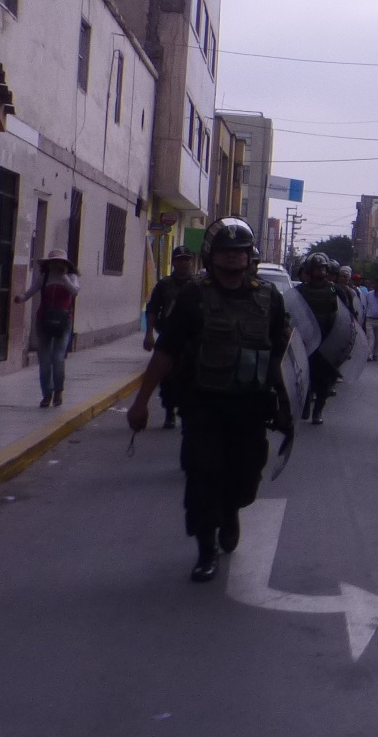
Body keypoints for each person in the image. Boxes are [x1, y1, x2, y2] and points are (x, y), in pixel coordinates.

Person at [126, 218, 291, 582]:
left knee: (245, 475)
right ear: (211, 256)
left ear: (250, 257)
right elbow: (166, 352)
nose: (233, 258)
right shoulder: (193, 297)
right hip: (203, 403)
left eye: (240, 252)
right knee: (202, 473)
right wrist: (141, 403)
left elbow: (281, 356)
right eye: (225, 252)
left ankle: (231, 510)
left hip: (250, 406)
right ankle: (205, 548)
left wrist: (285, 403)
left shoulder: (270, 298)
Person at [13, 250, 81, 408]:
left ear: (65, 264)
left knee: (57, 357)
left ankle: (58, 390)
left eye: (60, 262)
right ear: (47, 264)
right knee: (44, 360)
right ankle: (47, 394)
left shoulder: (71, 277)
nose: (56, 265)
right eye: (53, 262)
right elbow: (31, 291)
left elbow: (75, 292)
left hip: (63, 321)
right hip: (43, 320)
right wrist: (20, 298)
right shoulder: (43, 278)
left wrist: (63, 277)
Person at [295, 254, 351, 425]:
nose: (320, 271)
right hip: (306, 340)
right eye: (317, 268)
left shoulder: (334, 290)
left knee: (325, 380)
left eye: (323, 268)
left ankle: (318, 410)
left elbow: (345, 314)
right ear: (309, 271)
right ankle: (305, 405)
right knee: (305, 376)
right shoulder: (301, 291)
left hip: (328, 341)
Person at [144, 246, 197, 427]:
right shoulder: (164, 285)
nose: (184, 263)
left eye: (187, 259)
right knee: (166, 376)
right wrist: (148, 334)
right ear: (174, 262)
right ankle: (169, 412)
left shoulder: (198, 286)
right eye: (180, 259)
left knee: (192, 376)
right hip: (168, 336)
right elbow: (153, 309)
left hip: (192, 339)